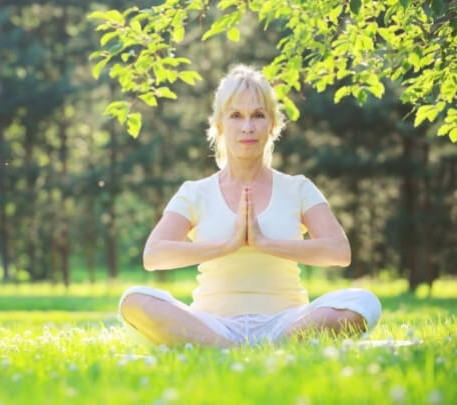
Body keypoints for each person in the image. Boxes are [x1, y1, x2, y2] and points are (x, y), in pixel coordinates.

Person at [118, 65, 382, 348]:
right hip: (212, 324)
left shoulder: (298, 188)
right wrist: (229, 245)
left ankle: (262, 347)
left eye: (258, 115)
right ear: (219, 126)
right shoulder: (195, 193)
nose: (247, 127)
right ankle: (230, 348)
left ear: (272, 125)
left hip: (286, 322)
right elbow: (154, 255)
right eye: (236, 116)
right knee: (133, 300)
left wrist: (264, 242)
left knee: (364, 302)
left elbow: (339, 251)